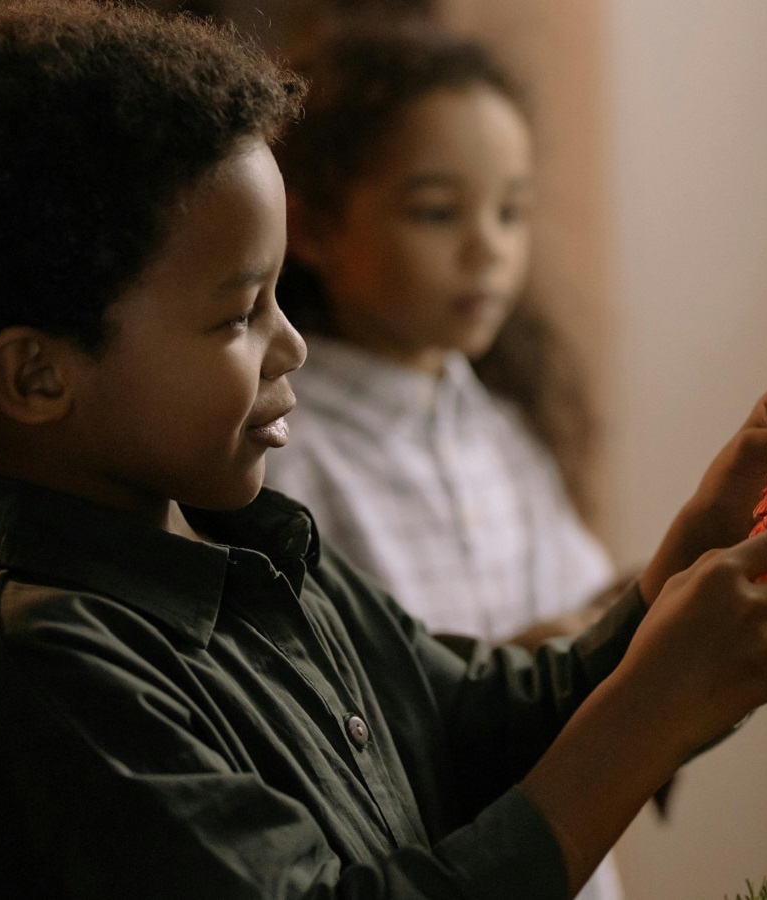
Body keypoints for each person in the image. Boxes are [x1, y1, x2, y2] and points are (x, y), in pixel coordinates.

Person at [0, 2, 767, 898]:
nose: (292, 345)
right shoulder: (47, 673)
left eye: (278, 299)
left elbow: (486, 727)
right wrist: (646, 721)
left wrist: (698, 545)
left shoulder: (259, 558)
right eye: (237, 315)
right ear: (38, 377)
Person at [265, 22, 621, 653]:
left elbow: (582, 603)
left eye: (510, 212)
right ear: (314, 227)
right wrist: (527, 664)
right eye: (437, 211)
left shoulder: (501, 431)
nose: (489, 249)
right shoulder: (285, 453)